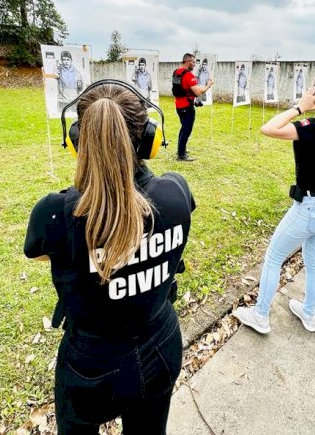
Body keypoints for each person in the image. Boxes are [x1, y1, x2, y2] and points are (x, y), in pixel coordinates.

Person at [24, 82, 195, 435]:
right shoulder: (177, 191)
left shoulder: (55, 213)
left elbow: (40, 254)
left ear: (76, 141)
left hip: (91, 369)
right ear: (149, 138)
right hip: (163, 347)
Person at [233, 70, 315, 334]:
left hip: (310, 208)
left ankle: (261, 315)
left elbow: (268, 128)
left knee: (274, 256)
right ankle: (309, 313)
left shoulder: (312, 128)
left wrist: (300, 107)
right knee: (314, 260)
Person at [172, 53, 213, 162]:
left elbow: (182, 90)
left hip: (179, 106)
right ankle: (181, 155)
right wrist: (209, 85)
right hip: (187, 107)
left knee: (183, 128)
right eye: (193, 62)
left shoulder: (176, 72)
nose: (195, 65)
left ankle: (181, 150)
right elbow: (198, 92)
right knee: (186, 130)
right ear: (187, 62)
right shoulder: (189, 75)